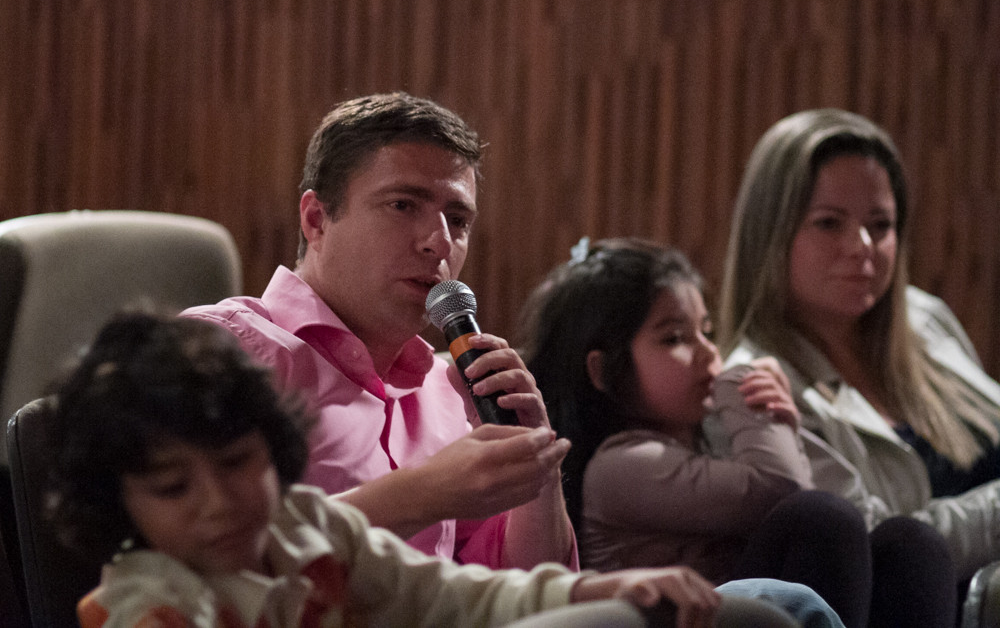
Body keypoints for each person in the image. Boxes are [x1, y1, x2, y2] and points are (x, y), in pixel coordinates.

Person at [50, 311, 836, 628]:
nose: (219, 501)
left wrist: (598, 584)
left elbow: (453, 595)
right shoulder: (150, 608)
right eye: (172, 487)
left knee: (769, 610)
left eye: (236, 464)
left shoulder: (305, 523)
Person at [183, 92, 575, 572]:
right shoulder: (218, 353)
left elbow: (526, 588)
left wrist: (538, 466)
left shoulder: (453, 391)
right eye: (402, 205)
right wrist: (421, 495)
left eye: (458, 220)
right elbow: (193, 557)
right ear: (316, 220)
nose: (440, 243)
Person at [520, 237, 883, 627]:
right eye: (675, 338)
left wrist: (783, 420)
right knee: (821, 519)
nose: (710, 352)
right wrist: (744, 387)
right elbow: (787, 492)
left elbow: (853, 506)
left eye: (707, 332)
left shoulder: (711, 435)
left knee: (904, 542)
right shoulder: (621, 466)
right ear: (604, 371)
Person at [717, 108, 989, 617]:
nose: (863, 247)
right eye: (829, 223)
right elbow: (878, 545)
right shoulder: (751, 384)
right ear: (771, 233)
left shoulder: (925, 319)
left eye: (880, 225)